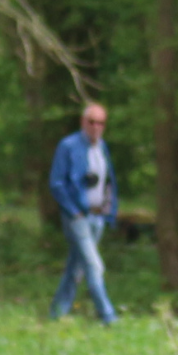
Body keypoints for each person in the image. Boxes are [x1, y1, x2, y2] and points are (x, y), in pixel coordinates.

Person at [46, 101, 120, 324]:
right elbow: (56, 183)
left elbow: (108, 181)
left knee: (76, 267)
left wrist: (110, 208)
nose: (96, 127)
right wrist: (73, 211)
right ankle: (109, 317)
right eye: (92, 122)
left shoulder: (102, 148)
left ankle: (57, 314)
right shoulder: (68, 146)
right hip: (78, 217)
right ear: (83, 122)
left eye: (101, 123)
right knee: (94, 265)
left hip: (98, 216)